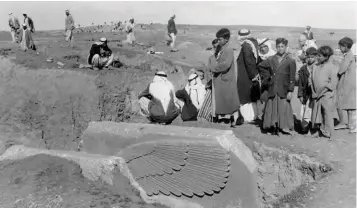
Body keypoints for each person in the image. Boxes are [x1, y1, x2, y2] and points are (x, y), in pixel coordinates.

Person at [258, 38, 296, 135]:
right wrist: (268, 77)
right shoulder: (271, 59)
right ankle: (271, 126)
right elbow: (260, 66)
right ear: (276, 47)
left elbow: (292, 78)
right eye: (278, 46)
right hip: (273, 87)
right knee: (272, 107)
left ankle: (283, 127)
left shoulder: (290, 61)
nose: (280, 49)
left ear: (286, 47)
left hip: (284, 88)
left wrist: (290, 91)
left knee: (284, 107)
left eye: (282, 46)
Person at [207, 28, 240, 127]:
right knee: (223, 100)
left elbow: (225, 65)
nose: (218, 41)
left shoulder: (228, 50)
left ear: (226, 39)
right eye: (217, 39)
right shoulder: (222, 49)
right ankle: (225, 119)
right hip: (222, 79)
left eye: (220, 39)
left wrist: (213, 68)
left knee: (229, 100)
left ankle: (232, 119)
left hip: (226, 79)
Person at [310, 46, 339, 139]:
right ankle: (318, 131)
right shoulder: (315, 66)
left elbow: (332, 84)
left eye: (320, 56)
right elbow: (310, 80)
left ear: (326, 57)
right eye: (317, 55)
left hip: (326, 95)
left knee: (327, 114)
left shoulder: (332, 67)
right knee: (317, 113)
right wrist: (313, 91)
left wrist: (322, 92)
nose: (318, 57)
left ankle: (331, 134)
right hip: (316, 94)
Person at [236, 29, 260, 123]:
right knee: (250, 95)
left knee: (245, 95)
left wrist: (252, 75)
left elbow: (248, 62)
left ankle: (248, 117)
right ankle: (253, 115)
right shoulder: (253, 42)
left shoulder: (246, 45)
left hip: (246, 75)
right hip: (251, 73)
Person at [334, 37, 356, 133]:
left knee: (349, 105)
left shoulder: (348, 56)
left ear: (345, 46)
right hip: (347, 83)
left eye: (341, 47)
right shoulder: (349, 55)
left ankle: (350, 125)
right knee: (348, 104)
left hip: (347, 83)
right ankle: (348, 124)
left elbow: (341, 69)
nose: (339, 48)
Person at [197, 39, 219, 122]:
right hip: (213, 83)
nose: (216, 49)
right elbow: (209, 72)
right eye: (214, 47)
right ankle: (206, 116)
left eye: (217, 47)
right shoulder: (211, 58)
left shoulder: (225, 57)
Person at [297, 47, 318, 133]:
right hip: (306, 93)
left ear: (316, 57)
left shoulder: (318, 67)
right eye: (308, 57)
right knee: (304, 110)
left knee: (314, 110)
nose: (310, 59)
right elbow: (301, 83)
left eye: (312, 57)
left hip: (315, 93)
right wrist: (300, 94)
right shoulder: (303, 69)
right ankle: (304, 127)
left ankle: (314, 126)